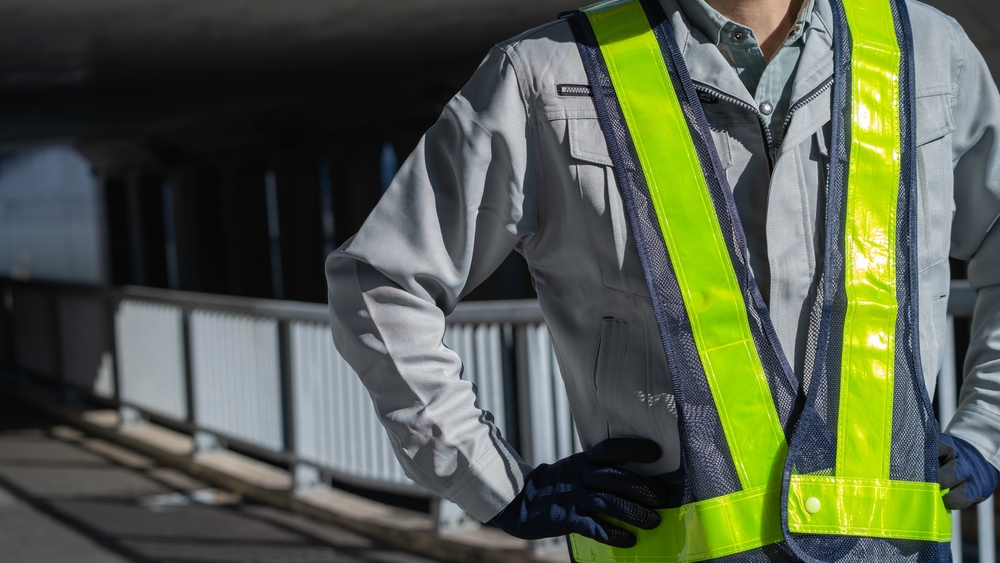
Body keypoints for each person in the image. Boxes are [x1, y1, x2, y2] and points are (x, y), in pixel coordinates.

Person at [326, 0, 1000, 560]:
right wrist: (495, 482)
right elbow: (383, 279)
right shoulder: (546, 76)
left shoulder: (928, 52)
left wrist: (988, 424)